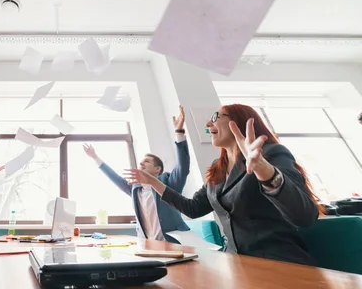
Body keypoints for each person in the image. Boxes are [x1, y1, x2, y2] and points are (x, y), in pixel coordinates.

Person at [124, 104, 322, 266]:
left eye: (216, 116)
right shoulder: (217, 168)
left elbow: (305, 215)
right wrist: (151, 182)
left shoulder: (271, 154)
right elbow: (192, 208)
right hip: (236, 263)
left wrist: (266, 172)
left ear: (239, 121)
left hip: (278, 262)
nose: (208, 123)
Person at [83, 106, 191, 243]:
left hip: (173, 243)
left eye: (146, 161)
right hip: (147, 245)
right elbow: (114, 178)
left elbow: (183, 166)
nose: (141, 164)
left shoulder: (169, 182)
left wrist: (179, 132)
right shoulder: (135, 188)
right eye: (140, 162)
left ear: (158, 169)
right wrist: (95, 158)